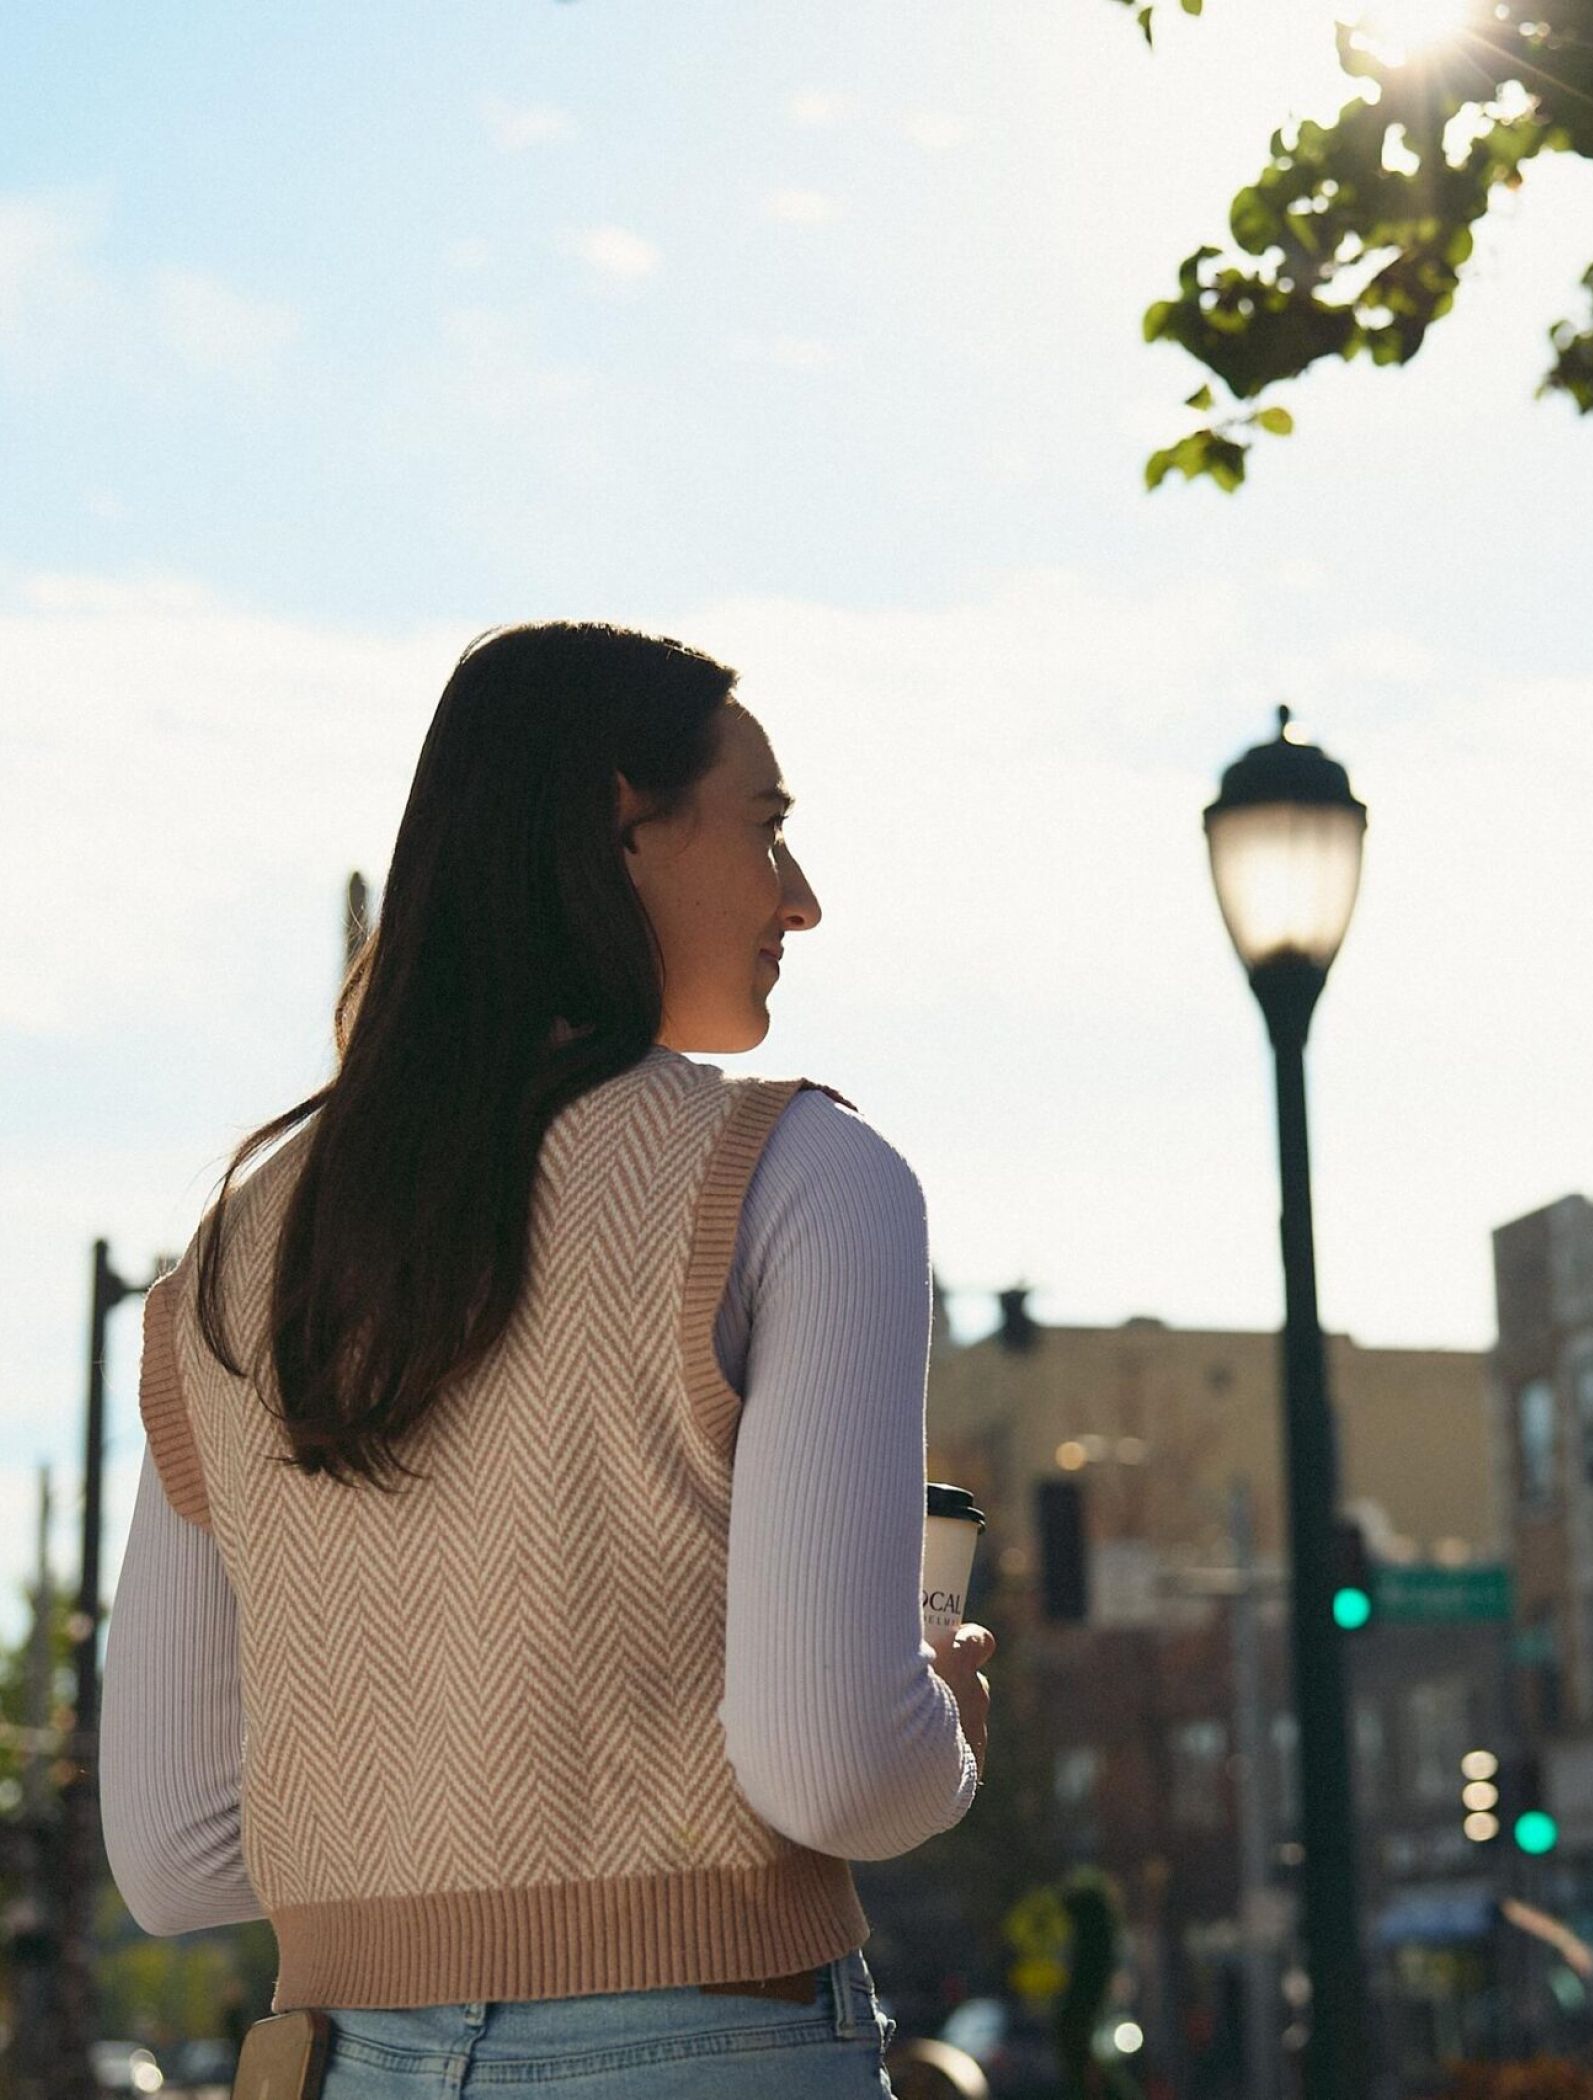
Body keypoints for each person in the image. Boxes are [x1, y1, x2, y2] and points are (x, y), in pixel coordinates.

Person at [99, 621, 996, 2099]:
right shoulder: (799, 1179)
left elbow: (175, 1855)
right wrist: (940, 1717)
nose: (803, 899)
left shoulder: (235, 1262)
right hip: (712, 2042)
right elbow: (837, 1765)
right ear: (622, 827)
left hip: (335, 2059)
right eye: (766, 831)